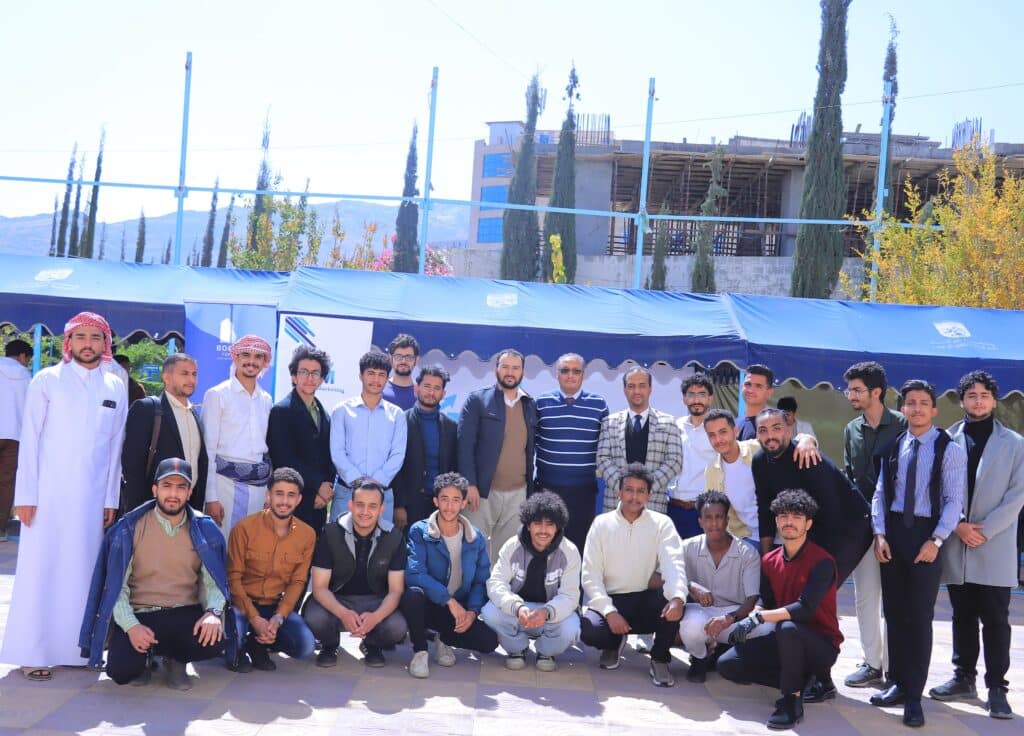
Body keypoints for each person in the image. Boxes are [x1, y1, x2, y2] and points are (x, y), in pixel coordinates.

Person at [1, 312, 126, 681]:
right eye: (81, 337)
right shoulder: (47, 380)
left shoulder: (115, 385)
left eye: (95, 337)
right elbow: (30, 440)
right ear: (68, 342)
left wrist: (110, 499)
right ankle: (32, 652)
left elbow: (115, 448)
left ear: (105, 343)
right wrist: (25, 496)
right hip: (47, 497)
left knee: (83, 573)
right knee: (41, 571)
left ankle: (76, 651)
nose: (88, 344)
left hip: (92, 499)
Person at [79, 458, 233, 690]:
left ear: (189, 493)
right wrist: (131, 626)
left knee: (215, 638)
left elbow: (215, 582)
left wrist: (213, 612)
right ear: (155, 490)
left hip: (184, 612)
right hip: (141, 614)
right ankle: (145, 658)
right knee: (121, 671)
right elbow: (116, 587)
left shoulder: (204, 529)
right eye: (166, 486)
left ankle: (176, 659)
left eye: (181, 487)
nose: (173, 494)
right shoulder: (129, 528)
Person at [870, 379, 967, 728]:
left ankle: (914, 696)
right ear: (903, 408)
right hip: (893, 534)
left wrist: (936, 540)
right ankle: (897, 683)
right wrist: (879, 534)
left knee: (918, 617)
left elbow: (954, 501)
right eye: (910, 402)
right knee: (894, 613)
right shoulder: (896, 444)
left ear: (934, 409)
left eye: (924, 402)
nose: (917, 408)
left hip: (926, 535)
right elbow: (881, 492)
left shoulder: (949, 448)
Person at [930, 371, 1024, 719]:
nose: (978, 401)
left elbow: (1017, 495)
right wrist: (957, 525)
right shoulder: (946, 439)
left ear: (995, 401)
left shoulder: (1015, 443)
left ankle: (997, 688)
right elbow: (936, 488)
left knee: (996, 619)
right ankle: (963, 678)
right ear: (962, 401)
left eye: (984, 395)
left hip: (994, 543)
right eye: (971, 395)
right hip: (957, 541)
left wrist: (983, 531)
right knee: (962, 615)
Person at [717, 490, 844, 731]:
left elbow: (804, 609)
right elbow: (766, 601)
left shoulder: (823, 561)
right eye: (784, 516)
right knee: (728, 664)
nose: (789, 522)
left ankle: (791, 701)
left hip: (822, 646)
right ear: (776, 521)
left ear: (808, 524)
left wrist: (758, 618)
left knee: (787, 627)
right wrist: (753, 614)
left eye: (797, 517)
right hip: (786, 640)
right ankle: (805, 680)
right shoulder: (769, 561)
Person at [580, 464, 687, 688]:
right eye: (629, 490)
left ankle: (659, 658)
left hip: (645, 600)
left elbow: (674, 564)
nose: (634, 496)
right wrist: (609, 612)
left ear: (649, 495)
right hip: (613, 601)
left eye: (641, 491)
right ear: (619, 492)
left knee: (674, 601)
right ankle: (613, 643)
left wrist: (677, 597)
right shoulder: (601, 524)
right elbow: (590, 575)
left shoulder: (662, 524)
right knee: (590, 630)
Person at [841, 360, 906, 688]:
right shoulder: (850, 429)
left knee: (894, 599)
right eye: (849, 390)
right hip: (862, 526)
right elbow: (850, 476)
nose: (850, 395)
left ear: (876, 392)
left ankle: (895, 669)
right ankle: (872, 664)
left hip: (898, 527)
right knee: (865, 596)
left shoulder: (904, 425)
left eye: (856, 390)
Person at [752, 408, 871, 584]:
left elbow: (831, 512)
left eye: (776, 428)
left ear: (789, 430)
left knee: (818, 589)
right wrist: (767, 560)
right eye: (763, 430)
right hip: (814, 528)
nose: (770, 436)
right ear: (757, 435)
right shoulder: (760, 461)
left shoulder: (807, 457)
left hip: (850, 526)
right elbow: (765, 511)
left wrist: (810, 562)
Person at [401, 472, 498, 678]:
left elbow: (481, 581)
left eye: (455, 500)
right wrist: (448, 600)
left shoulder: (475, 538)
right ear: (435, 501)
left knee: (489, 641)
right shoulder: (420, 531)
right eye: (444, 499)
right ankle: (420, 651)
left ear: (463, 503)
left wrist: (472, 612)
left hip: (457, 609)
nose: (449, 506)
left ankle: (442, 638)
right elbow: (414, 573)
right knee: (412, 594)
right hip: (428, 605)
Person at [303, 477, 408, 668]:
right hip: (337, 599)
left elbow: (396, 590)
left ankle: (371, 645)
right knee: (314, 618)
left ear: (381, 509)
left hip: (375, 601)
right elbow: (319, 587)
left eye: (372, 506)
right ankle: (330, 645)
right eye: (360, 505)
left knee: (398, 627)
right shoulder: (331, 533)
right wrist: (343, 613)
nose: (365, 512)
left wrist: (375, 617)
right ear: (350, 505)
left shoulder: (394, 537)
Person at [226, 467, 317, 673]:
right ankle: (239, 646)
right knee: (235, 634)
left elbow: (298, 581)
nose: (284, 501)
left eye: (291, 495)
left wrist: (278, 617)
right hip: (241, 604)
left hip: (273, 606)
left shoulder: (307, 535)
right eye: (279, 493)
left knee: (305, 646)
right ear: (268, 495)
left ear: (299, 500)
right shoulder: (244, 528)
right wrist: (254, 618)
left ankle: (258, 643)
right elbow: (233, 578)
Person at [481, 491, 581, 672]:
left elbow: (570, 596)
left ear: (558, 526)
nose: (543, 530)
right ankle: (517, 649)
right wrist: (517, 607)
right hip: (518, 611)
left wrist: (547, 612)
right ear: (528, 525)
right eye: (537, 523)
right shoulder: (512, 546)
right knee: (489, 613)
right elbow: (496, 583)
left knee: (571, 627)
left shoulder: (570, 551)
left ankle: (546, 652)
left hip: (551, 613)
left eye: (550, 524)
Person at [457, 349, 538, 562]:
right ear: (496, 370)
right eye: (505, 367)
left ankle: (497, 587)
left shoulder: (530, 405)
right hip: (482, 494)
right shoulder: (477, 400)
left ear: (522, 372)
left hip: (517, 495)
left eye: (515, 368)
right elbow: (464, 446)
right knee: (472, 553)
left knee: (506, 557)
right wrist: (470, 484)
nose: (510, 372)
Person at [678, 490, 761, 683]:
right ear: (700, 521)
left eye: (719, 517)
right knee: (690, 625)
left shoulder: (747, 553)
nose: (714, 523)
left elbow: (752, 599)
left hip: (735, 614)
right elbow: (666, 576)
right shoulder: (687, 547)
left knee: (766, 628)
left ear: (727, 520)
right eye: (708, 518)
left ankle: (726, 651)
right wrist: (691, 586)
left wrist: (728, 618)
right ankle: (699, 659)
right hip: (702, 612)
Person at [533, 352, 609, 551]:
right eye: (565, 370)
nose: (570, 375)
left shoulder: (599, 404)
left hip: (583, 492)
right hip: (547, 489)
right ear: (557, 373)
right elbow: (531, 443)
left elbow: (606, 445)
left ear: (583, 375)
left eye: (576, 371)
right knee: (545, 544)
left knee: (579, 545)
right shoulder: (541, 403)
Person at [201, 335, 274, 537]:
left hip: (258, 489)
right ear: (235, 357)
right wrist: (210, 497)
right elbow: (207, 449)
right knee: (222, 545)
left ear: (264, 362)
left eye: (258, 357)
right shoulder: (217, 394)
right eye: (246, 355)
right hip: (224, 485)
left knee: (251, 546)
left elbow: (267, 450)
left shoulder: (266, 400)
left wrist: (268, 491)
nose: (251, 361)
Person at [121, 353, 208, 514]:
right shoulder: (147, 409)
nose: (191, 379)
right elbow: (132, 467)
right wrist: (140, 514)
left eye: (194, 374)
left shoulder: (194, 413)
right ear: (166, 377)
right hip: (152, 511)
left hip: (188, 512)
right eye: (184, 373)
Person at [330, 350, 407, 524]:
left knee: (380, 541)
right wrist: (358, 481)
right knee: (339, 539)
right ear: (360, 375)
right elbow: (337, 451)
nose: (376, 379)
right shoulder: (342, 410)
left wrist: (376, 482)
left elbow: (398, 454)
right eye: (371, 373)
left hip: (382, 493)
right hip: (347, 491)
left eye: (381, 375)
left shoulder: (397, 415)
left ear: (387, 379)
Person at [267, 345, 335, 532]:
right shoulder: (281, 411)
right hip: (293, 501)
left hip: (320, 503)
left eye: (315, 373)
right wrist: (317, 486)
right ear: (294, 376)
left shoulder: (324, 413)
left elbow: (329, 456)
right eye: (304, 372)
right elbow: (283, 459)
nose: (309, 378)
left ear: (322, 379)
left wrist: (326, 489)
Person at [596, 366, 681, 513]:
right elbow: (602, 459)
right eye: (631, 386)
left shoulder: (668, 422)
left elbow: (674, 461)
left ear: (650, 388)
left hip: (653, 505)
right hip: (615, 504)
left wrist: (646, 489)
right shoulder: (609, 422)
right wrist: (623, 489)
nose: (637, 391)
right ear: (624, 389)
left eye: (642, 385)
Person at [393, 365, 458, 530]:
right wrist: (399, 505)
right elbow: (395, 466)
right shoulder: (402, 421)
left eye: (437, 388)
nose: (431, 392)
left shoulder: (451, 427)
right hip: (409, 505)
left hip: (440, 505)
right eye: (427, 386)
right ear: (416, 388)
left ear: (443, 394)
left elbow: (454, 467)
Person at [668, 373, 718, 540]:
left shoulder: (718, 429)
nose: (696, 400)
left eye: (702, 394)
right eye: (691, 394)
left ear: (710, 398)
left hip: (706, 511)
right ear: (684, 399)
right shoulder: (675, 425)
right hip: (674, 508)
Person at [702, 409, 762, 547]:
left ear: (735, 431)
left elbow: (792, 442)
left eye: (723, 432)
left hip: (780, 533)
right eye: (712, 435)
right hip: (746, 538)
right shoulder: (712, 470)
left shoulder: (757, 448)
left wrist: (807, 440)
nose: (718, 440)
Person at [0, 338, 31, 542]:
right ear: (22, 356)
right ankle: (0, 528)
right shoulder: (26, 376)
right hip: (15, 436)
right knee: (6, 482)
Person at [382, 333, 419, 410]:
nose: (403, 361)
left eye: (408, 357)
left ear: (416, 360)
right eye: (398, 357)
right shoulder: (379, 390)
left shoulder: (422, 394)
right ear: (390, 359)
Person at [738, 364, 774, 440]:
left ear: (769, 392)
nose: (751, 390)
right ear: (741, 387)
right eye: (748, 384)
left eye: (758, 386)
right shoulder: (735, 423)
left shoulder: (773, 426)